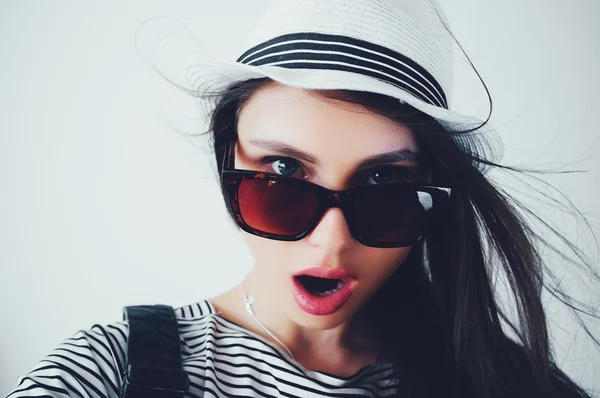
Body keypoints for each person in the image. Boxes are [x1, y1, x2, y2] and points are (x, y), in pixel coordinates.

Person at [6, 0, 597, 397]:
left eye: (383, 186)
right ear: (228, 161)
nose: (332, 241)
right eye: (284, 172)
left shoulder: (500, 377)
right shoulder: (115, 366)